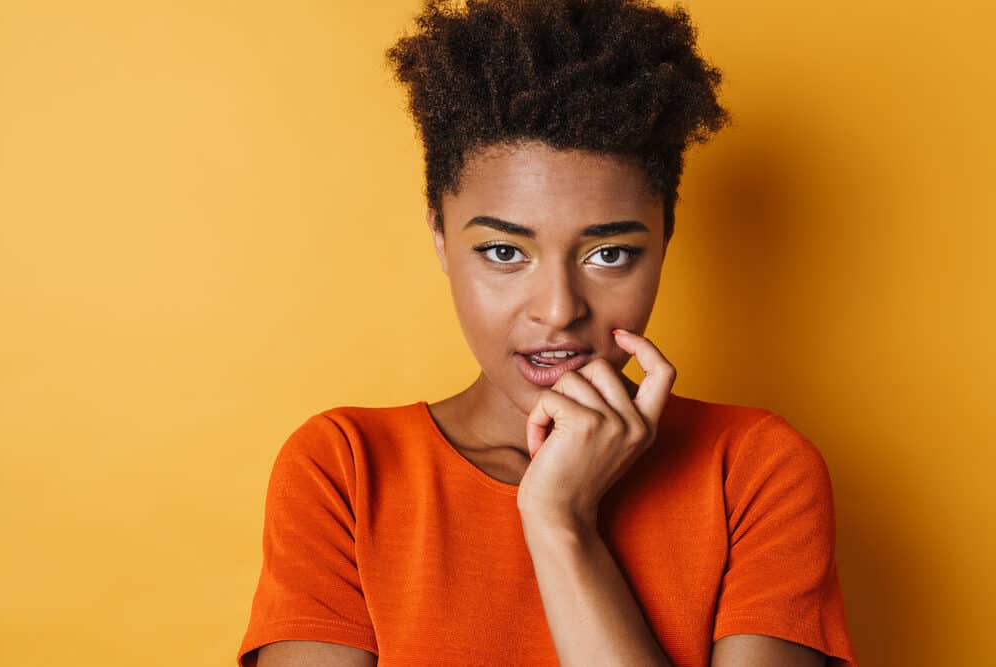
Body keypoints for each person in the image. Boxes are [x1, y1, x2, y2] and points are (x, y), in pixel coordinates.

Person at [237, 1, 859, 665]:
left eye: (609, 253)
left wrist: (561, 524)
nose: (560, 309)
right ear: (442, 239)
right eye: (505, 252)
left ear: (664, 240)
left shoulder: (755, 472)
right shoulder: (347, 471)